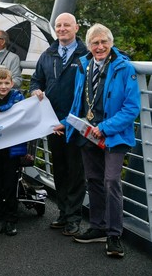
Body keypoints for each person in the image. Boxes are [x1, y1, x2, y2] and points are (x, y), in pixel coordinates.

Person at [61, 23, 140, 258]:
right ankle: (98, 227)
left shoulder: (125, 68)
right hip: (88, 133)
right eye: (95, 42)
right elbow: (79, 101)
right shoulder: (83, 65)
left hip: (113, 135)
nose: (99, 46)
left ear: (111, 43)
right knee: (93, 180)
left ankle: (114, 234)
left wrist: (104, 128)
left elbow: (131, 108)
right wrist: (66, 124)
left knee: (111, 181)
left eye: (104, 41)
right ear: (89, 45)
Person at [29, 12, 88, 236]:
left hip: (76, 122)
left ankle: (74, 218)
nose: (62, 29)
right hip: (53, 122)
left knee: (76, 171)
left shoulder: (86, 55)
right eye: (59, 25)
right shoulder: (49, 54)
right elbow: (36, 79)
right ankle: (63, 213)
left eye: (67, 25)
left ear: (76, 28)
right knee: (60, 170)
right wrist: (34, 89)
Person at [0, 67, 27, 236]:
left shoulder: (18, 97)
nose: (3, 86)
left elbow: (21, 110)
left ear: (12, 83)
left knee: (10, 185)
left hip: (12, 150)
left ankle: (11, 218)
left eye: (6, 83)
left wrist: (3, 111)